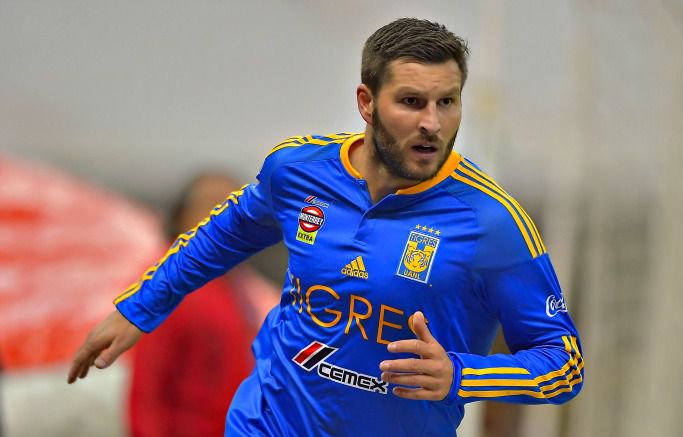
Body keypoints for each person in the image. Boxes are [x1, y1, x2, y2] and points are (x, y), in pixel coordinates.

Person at [69, 18, 584, 436]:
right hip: (268, 422)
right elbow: (221, 236)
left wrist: (461, 374)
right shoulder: (297, 171)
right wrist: (139, 308)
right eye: (411, 102)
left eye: (447, 102)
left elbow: (563, 364)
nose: (432, 122)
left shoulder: (493, 221)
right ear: (366, 103)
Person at [127, 171, 279, 437]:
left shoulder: (235, 284)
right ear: (181, 218)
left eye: (236, 205)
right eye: (212, 204)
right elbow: (148, 390)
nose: (225, 216)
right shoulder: (171, 284)